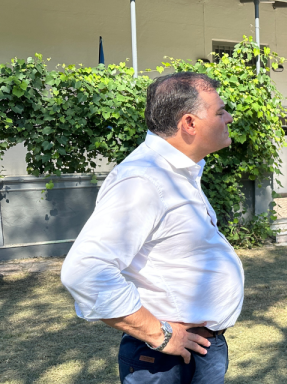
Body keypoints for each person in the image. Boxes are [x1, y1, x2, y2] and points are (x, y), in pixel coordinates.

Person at [61, 72, 244, 383]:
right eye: (219, 111)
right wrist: (159, 334)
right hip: (165, 360)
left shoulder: (179, 173)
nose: (228, 117)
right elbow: (85, 270)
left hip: (199, 350)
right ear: (189, 123)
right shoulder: (144, 180)